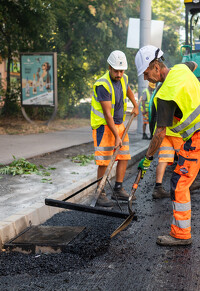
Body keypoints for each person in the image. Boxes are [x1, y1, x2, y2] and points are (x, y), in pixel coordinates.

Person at [135, 45, 200, 246]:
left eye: (146, 74)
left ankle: (181, 235)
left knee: (179, 183)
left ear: (156, 66)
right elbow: (194, 63)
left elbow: (160, 133)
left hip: (196, 138)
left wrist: (147, 159)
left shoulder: (165, 95)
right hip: (195, 136)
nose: (146, 79)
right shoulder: (181, 68)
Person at [91, 50, 139, 207]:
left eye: (121, 70)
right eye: (116, 71)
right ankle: (100, 192)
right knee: (104, 160)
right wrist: (116, 136)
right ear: (109, 68)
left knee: (124, 156)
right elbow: (107, 114)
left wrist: (135, 104)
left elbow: (128, 89)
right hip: (104, 127)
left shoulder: (123, 78)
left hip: (120, 124)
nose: (119, 74)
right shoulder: (102, 85)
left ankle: (118, 189)